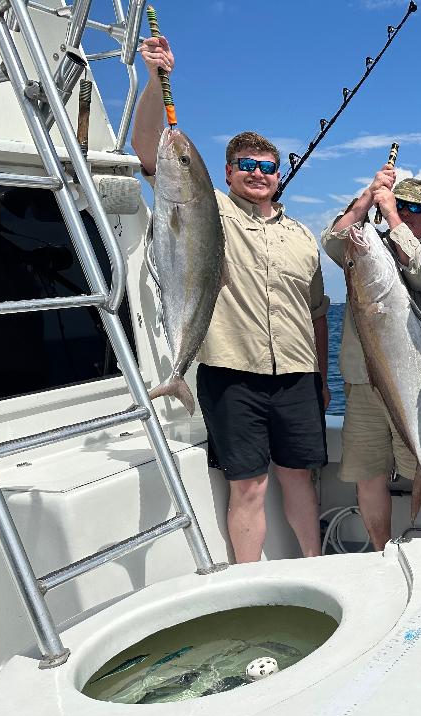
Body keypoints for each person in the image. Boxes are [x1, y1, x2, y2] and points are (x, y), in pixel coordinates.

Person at [132, 36, 329, 563]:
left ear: (278, 174)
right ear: (226, 171)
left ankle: (317, 566)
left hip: (296, 376)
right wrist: (157, 81)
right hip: (230, 373)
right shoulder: (207, 208)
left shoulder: (303, 236)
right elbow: (151, 149)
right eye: (247, 165)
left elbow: (316, 314)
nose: (258, 174)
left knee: (301, 481)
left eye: (267, 166)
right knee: (248, 488)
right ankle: (248, 583)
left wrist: (321, 380)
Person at [320, 172, 421, 548]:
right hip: (363, 383)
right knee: (369, 476)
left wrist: (392, 216)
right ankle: (381, 556)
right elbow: (332, 241)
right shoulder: (365, 249)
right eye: (398, 204)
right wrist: (368, 196)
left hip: (415, 386)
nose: (406, 212)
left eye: (414, 208)